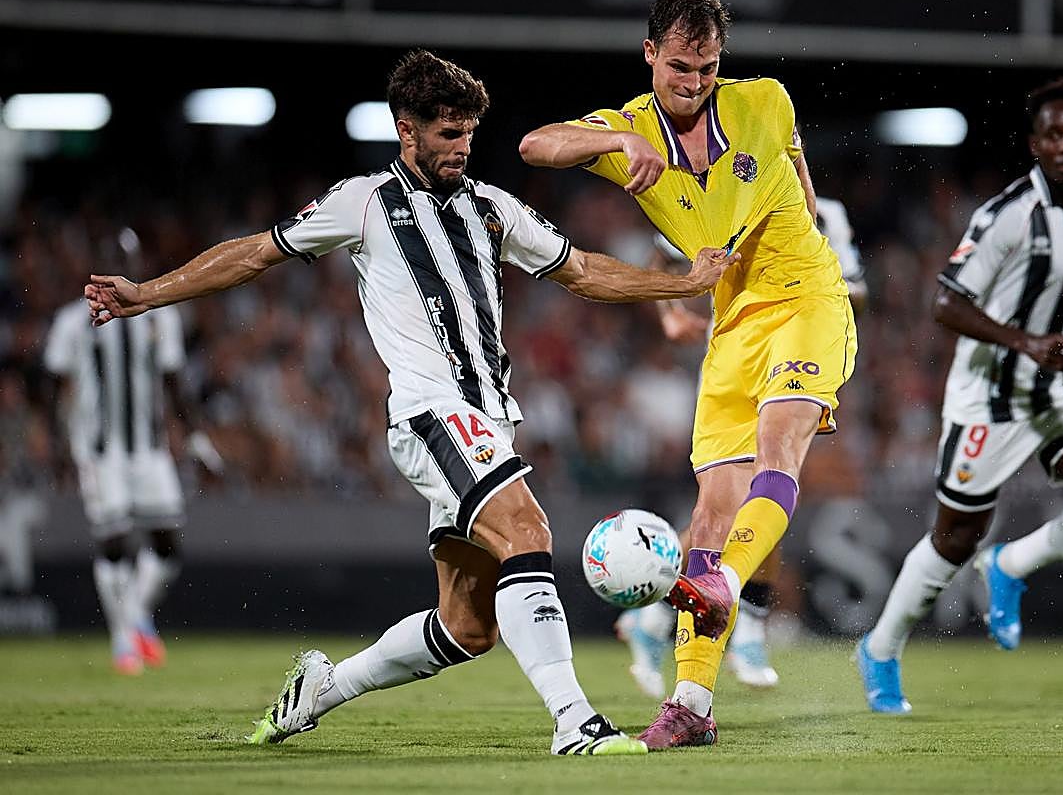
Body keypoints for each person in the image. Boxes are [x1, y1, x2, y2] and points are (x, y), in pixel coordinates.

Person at [85, 49, 736, 755]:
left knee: (467, 627)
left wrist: (680, 284)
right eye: (446, 134)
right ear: (406, 132)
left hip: (487, 421)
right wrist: (146, 294)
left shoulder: (494, 208)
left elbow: (582, 271)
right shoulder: (362, 201)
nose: (460, 148)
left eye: (467, 134)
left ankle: (322, 688)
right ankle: (575, 722)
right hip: (432, 413)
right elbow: (255, 253)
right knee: (528, 533)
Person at [520, 0, 858, 748]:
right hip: (731, 320)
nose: (693, 82)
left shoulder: (764, 101)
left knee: (780, 448)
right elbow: (535, 145)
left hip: (806, 296)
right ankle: (693, 706)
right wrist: (615, 144)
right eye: (679, 66)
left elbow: (801, 185)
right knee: (711, 512)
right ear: (649, 56)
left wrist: (802, 238)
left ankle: (726, 583)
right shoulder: (630, 129)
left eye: (706, 68)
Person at [856, 78, 1063, 714]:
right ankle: (880, 647)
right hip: (988, 393)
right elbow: (945, 303)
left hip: (1058, 385)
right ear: (1036, 145)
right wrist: (1027, 341)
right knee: (955, 539)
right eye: (1054, 134)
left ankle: (1010, 566)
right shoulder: (1008, 214)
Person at [618, 197, 868, 696]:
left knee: (766, 492)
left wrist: (813, 275)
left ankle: (670, 615)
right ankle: (737, 620)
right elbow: (662, 254)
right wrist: (670, 313)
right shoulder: (733, 200)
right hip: (736, 359)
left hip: (796, 352)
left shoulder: (827, 216)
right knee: (736, 503)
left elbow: (857, 294)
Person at [45, 227, 221, 675]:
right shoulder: (71, 321)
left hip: (149, 448)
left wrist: (195, 434)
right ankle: (123, 638)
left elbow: (174, 384)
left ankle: (135, 616)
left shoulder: (159, 320)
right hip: (100, 451)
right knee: (116, 541)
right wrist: (59, 446)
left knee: (166, 543)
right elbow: (53, 388)